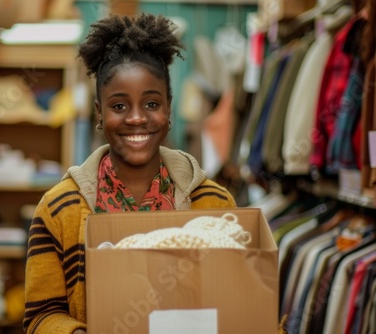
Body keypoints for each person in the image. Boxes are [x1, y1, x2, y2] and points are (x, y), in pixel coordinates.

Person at [23, 13, 236, 334]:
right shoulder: (60, 209)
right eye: (119, 106)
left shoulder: (215, 205)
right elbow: (41, 315)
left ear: (168, 109)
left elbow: (239, 300)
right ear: (99, 112)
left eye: (151, 104)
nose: (136, 119)